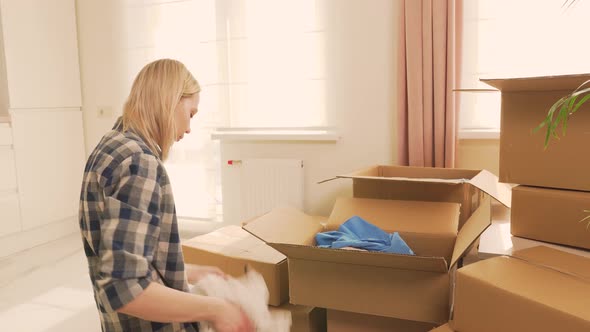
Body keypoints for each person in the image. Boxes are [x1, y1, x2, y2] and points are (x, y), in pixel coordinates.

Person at [79, 59, 254, 332]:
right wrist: (219, 310)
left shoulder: (110, 146)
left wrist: (188, 272)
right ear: (170, 100)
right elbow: (124, 286)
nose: (188, 128)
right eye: (191, 113)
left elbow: (120, 256)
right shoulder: (139, 162)